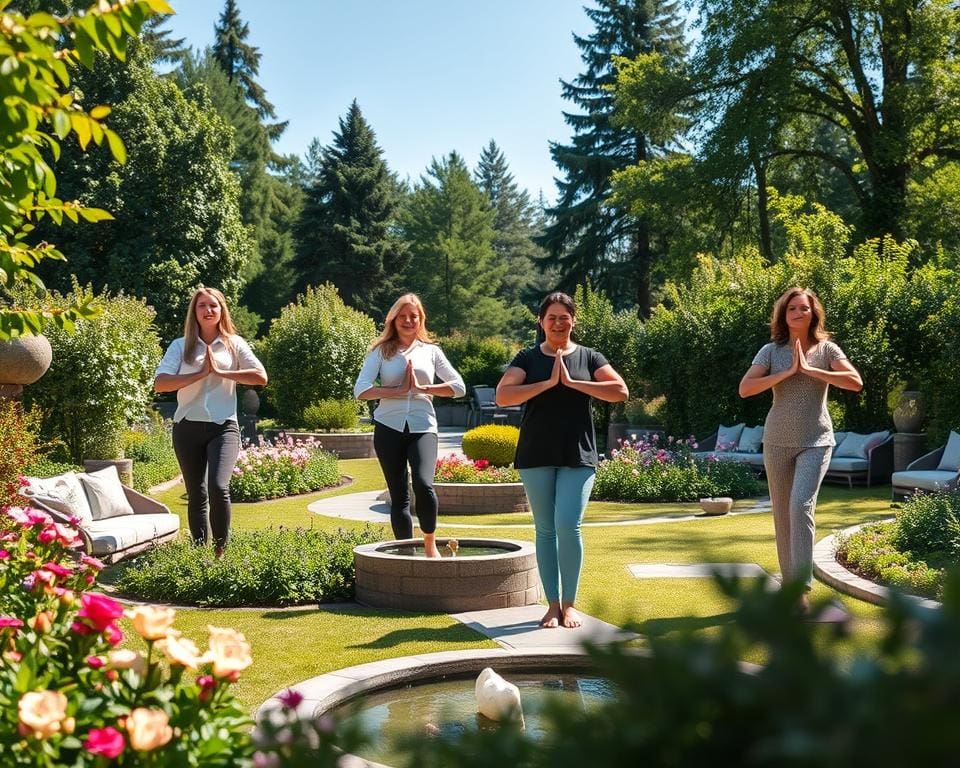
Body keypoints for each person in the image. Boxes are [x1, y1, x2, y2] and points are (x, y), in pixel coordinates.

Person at [496, 292, 628, 628]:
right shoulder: (527, 358)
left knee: (568, 525)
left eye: (564, 317)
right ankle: (552, 605)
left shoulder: (589, 356)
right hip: (536, 451)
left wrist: (572, 383)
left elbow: (620, 391)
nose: (558, 323)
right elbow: (503, 395)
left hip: (578, 452)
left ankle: (569, 605)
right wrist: (547, 383)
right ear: (541, 322)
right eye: (551, 317)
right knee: (545, 529)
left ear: (573, 320)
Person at [739, 287, 862, 613]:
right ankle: (789, 586)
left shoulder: (827, 349)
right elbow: (745, 388)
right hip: (777, 441)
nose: (797, 313)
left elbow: (855, 382)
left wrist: (810, 370)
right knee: (782, 514)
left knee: (800, 506)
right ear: (784, 314)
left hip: (816, 441)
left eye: (803, 308)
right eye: (792, 308)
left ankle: (801, 588)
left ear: (813, 313)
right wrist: (786, 372)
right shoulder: (770, 351)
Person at [154, 287, 267, 557]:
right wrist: (199, 374)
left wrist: (221, 372)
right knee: (196, 493)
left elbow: (260, 376)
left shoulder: (234, 344)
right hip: (187, 427)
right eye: (202, 305)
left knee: (218, 486)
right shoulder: (180, 345)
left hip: (223, 426)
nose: (208, 310)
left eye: (213, 305)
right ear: (194, 312)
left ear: (221, 310)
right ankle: (198, 555)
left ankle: (220, 553)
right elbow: (161, 383)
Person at [353, 293, 465, 558]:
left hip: (423, 427)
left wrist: (423, 388)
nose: (408, 320)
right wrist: (398, 390)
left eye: (413, 316)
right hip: (388, 427)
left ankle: (429, 544)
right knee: (399, 494)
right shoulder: (381, 351)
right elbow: (361, 390)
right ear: (393, 319)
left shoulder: (431, 351)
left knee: (424, 484)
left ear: (420, 319)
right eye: (402, 316)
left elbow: (459, 387)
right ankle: (406, 554)